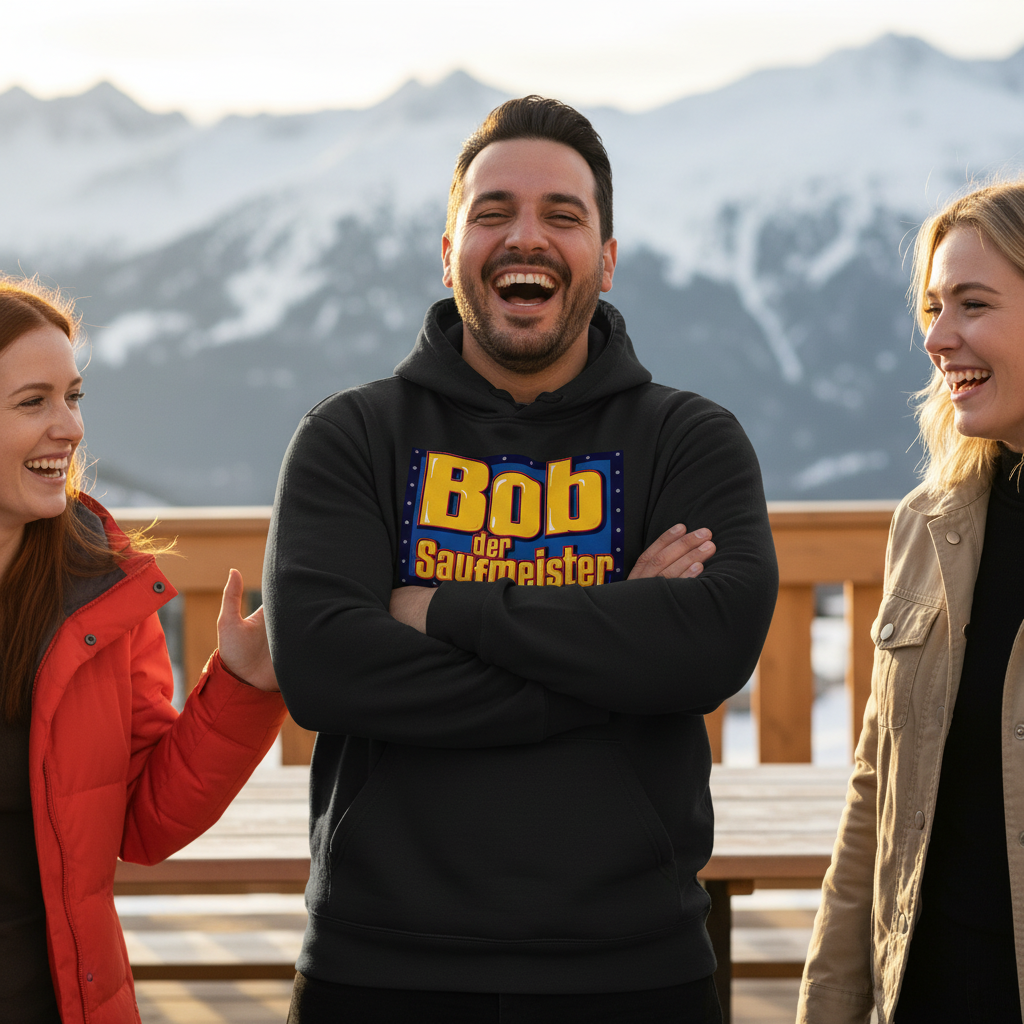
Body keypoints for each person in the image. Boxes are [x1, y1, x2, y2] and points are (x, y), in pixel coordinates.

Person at [265, 96, 778, 1024]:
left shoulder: (688, 439)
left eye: (563, 215)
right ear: (449, 248)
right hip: (377, 963)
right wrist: (617, 653)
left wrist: (443, 613)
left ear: (608, 261)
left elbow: (708, 647)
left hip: (632, 963)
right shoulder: (353, 436)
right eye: (493, 212)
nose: (524, 237)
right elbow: (325, 669)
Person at [0, 278, 288, 1024]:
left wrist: (244, 688)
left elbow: (144, 822)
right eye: (33, 402)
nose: (69, 429)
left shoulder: (101, 595)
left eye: (74, 397)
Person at [798, 181, 1024, 1024]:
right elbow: (875, 793)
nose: (936, 337)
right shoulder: (925, 528)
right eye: (931, 307)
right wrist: (827, 1004)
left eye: (972, 303)